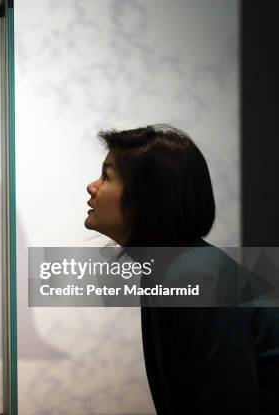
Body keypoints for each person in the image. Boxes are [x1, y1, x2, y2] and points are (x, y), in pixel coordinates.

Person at [84, 124, 279, 414]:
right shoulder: (170, 269)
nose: (92, 186)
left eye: (107, 176)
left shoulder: (194, 275)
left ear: (147, 197)